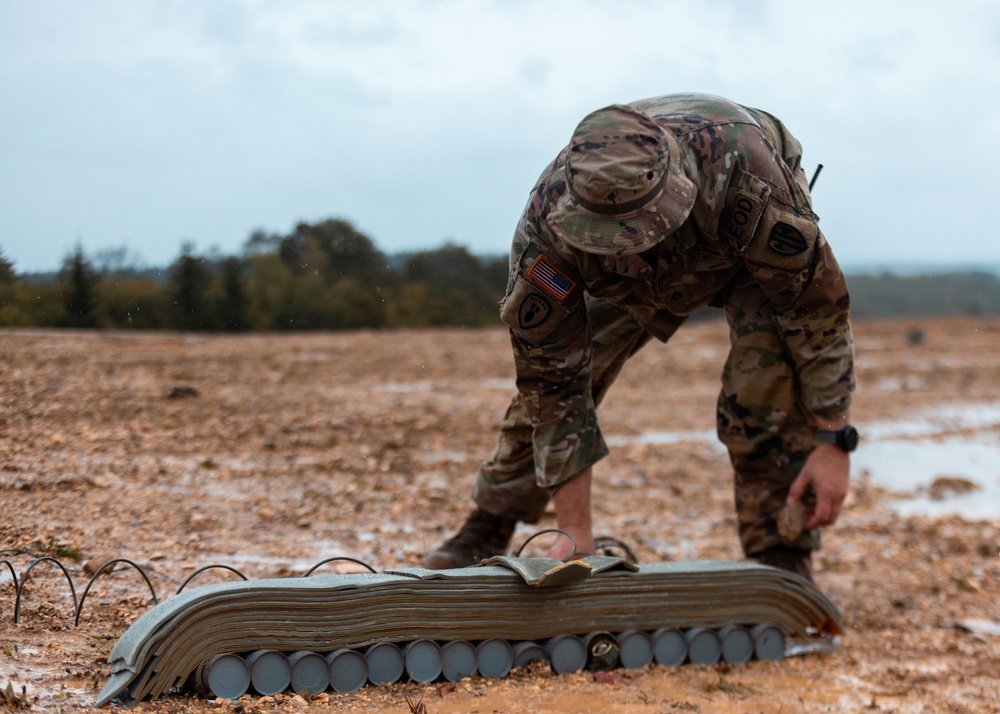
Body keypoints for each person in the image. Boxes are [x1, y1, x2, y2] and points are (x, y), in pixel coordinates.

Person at [424, 93, 857, 582]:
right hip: (614, 279)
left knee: (764, 387)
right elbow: (554, 384)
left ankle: (782, 556)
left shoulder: (745, 173)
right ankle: (490, 521)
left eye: (636, 228)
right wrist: (573, 532)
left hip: (735, 251)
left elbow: (813, 309)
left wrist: (833, 439)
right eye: (609, 232)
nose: (630, 241)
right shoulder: (546, 229)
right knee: (547, 392)